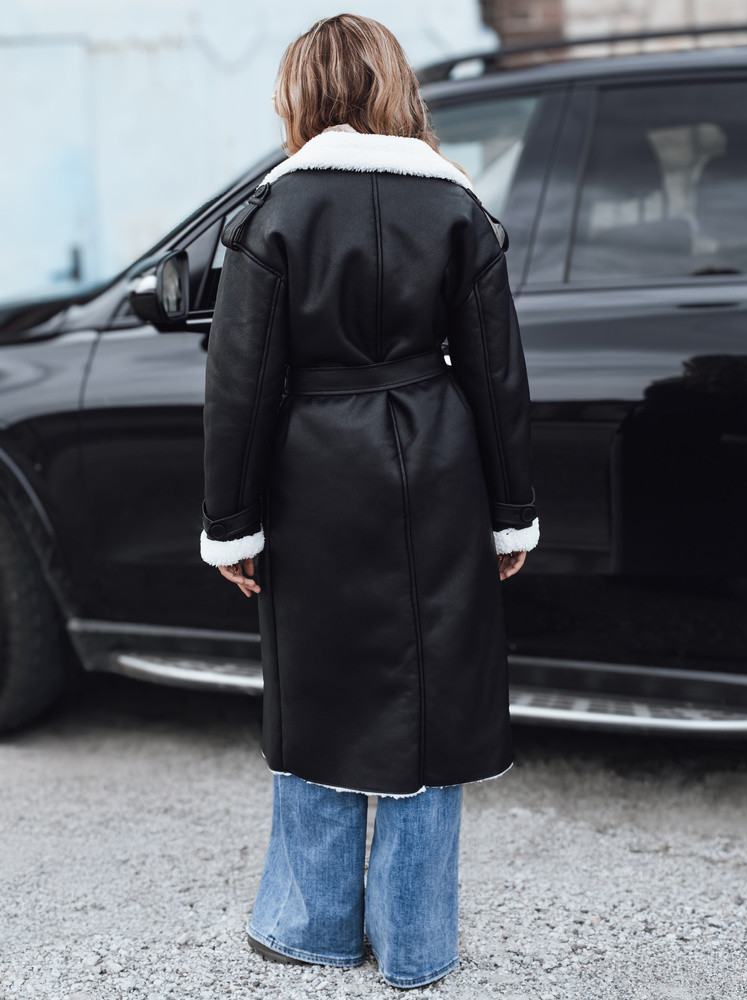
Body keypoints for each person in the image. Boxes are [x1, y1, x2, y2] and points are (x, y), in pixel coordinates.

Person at [199, 13, 540, 990]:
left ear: (302, 94)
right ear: (396, 86)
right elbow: (496, 375)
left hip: (316, 473)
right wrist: (510, 509)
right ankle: (417, 942)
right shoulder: (458, 207)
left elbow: (240, 383)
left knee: (319, 686)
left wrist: (231, 525)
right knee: (435, 694)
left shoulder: (273, 212)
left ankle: (312, 923)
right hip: (441, 463)